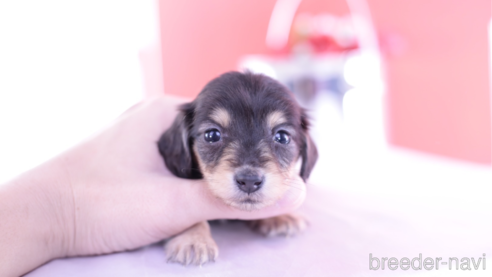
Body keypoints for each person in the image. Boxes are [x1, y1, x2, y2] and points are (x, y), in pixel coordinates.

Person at [0, 95, 306, 277]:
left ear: (306, 150)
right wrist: (191, 225)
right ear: (182, 144)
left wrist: (269, 211)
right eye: (213, 135)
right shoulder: (171, 161)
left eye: (281, 137)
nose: (249, 172)